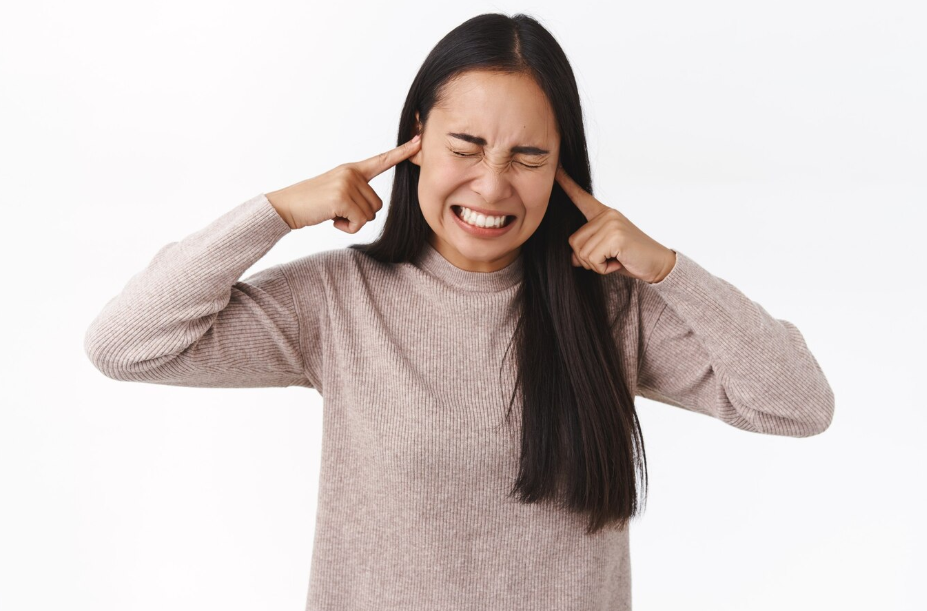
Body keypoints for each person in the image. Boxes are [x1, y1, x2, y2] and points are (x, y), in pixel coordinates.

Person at [84, 12, 835, 611]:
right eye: (466, 147)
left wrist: (668, 269)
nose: (492, 185)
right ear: (416, 139)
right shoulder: (339, 301)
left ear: (562, 166)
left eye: (528, 157)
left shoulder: (611, 310)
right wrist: (277, 211)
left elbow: (798, 405)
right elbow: (125, 343)